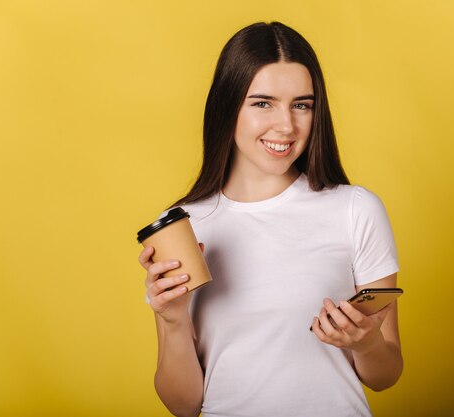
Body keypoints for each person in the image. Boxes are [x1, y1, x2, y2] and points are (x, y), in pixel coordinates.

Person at [138, 21, 403, 417]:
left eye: (302, 104)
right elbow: (184, 405)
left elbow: (386, 374)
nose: (286, 125)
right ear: (229, 107)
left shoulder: (356, 209)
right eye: (263, 103)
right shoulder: (183, 225)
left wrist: (364, 344)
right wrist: (172, 320)